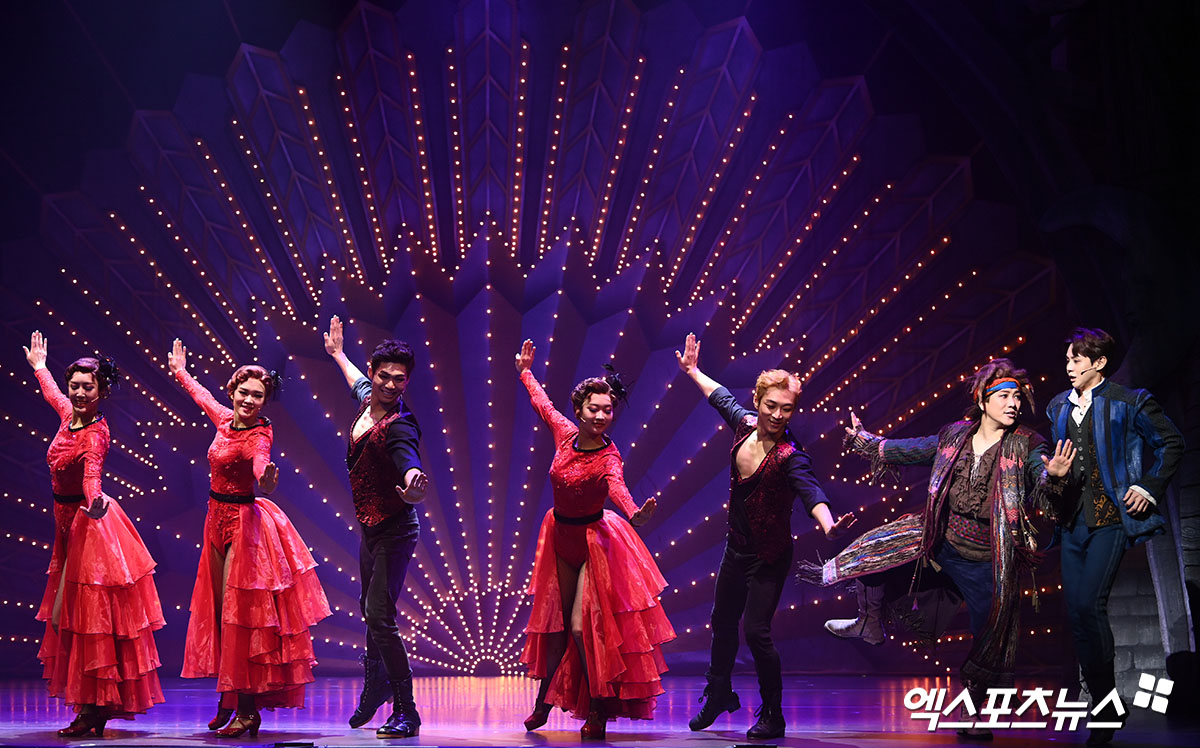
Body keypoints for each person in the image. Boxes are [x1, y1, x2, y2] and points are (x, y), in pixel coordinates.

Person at [807, 358, 1073, 740]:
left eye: (1018, 397)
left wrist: (1053, 477)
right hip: (940, 543)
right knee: (874, 551)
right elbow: (910, 449)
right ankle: (869, 622)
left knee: (990, 636)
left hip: (987, 559)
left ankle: (972, 711)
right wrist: (865, 441)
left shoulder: (1027, 443)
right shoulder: (954, 436)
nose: (1014, 403)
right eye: (1004, 396)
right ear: (983, 400)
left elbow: (1040, 473)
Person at [676, 333, 854, 740]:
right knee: (722, 620)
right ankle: (719, 692)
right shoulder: (744, 425)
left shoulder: (791, 456)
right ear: (757, 402)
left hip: (769, 556)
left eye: (786, 409)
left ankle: (773, 714)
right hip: (735, 548)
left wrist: (827, 524)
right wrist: (693, 371)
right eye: (771, 405)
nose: (777, 415)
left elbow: (811, 491)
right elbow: (720, 396)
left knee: (756, 632)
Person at [168, 339, 331, 738]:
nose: (249, 400)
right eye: (244, 392)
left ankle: (247, 710)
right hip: (215, 522)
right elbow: (201, 396)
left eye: (258, 396)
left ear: (264, 401)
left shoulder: (260, 434)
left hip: (245, 527)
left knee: (238, 618)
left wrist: (266, 479)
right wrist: (181, 372)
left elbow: (260, 464)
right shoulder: (224, 418)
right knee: (220, 616)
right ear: (233, 392)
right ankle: (229, 698)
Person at [515, 339, 674, 740]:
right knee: (555, 627)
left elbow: (617, 487)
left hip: (593, 542)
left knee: (581, 628)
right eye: (594, 409)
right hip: (559, 535)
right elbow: (543, 405)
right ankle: (543, 701)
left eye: (608, 410)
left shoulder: (609, 457)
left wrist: (635, 512)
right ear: (579, 410)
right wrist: (526, 372)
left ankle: (599, 706)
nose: (602, 416)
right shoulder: (564, 434)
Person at [1046, 328, 1183, 747]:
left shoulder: (1129, 401)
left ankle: (1104, 708)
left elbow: (1171, 442)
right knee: (1076, 614)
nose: (1069, 367)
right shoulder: (1058, 406)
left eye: (1076, 359)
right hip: (1072, 523)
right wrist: (1051, 474)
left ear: (1099, 362)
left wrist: (1147, 486)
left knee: (1090, 605)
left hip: (1110, 520)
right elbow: (1050, 457)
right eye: (1067, 360)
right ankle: (1105, 702)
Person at [24, 331, 165, 737]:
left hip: (90, 525)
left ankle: (93, 708)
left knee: (82, 621)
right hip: (66, 528)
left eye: (88, 387)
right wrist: (40, 367)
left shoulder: (96, 433)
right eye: (76, 386)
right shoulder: (68, 414)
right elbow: (52, 394)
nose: (80, 393)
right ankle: (93, 708)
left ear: (102, 391)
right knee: (72, 620)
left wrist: (95, 499)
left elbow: (91, 476)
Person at [324, 316, 430, 738]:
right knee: (370, 609)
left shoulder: (399, 423)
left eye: (399, 380)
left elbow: (408, 458)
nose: (389, 385)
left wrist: (413, 483)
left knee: (380, 616)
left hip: (396, 528)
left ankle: (406, 710)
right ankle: (375, 688)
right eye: (384, 376)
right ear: (374, 372)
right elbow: (356, 382)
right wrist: (338, 354)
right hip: (371, 527)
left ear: (407, 382)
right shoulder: (369, 399)